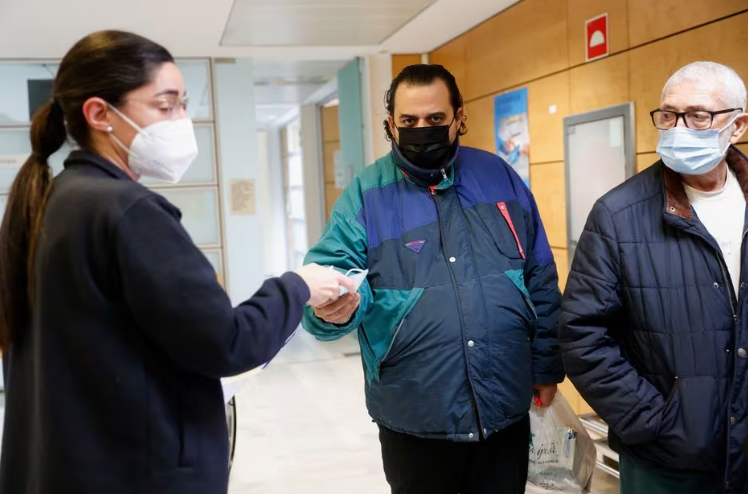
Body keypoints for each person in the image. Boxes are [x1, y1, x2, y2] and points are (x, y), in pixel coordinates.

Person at [0, 31, 352, 494]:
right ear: (100, 114)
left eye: (183, 104)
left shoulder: (54, 202)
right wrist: (298, 285)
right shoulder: (127, 211)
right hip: (134, 471)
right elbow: (226, 343)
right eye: (165, 106)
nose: (182, 121)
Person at [302, 64, 564, 494]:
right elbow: (330, 279)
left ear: (459, 117)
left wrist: (546, 364)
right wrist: (330, 310)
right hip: (415, 416)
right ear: (391, 124)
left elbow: (539, 275)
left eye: (435, 119)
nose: (422, 130)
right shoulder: (366, 195)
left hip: (503, 407)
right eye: (409, 121)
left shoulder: (499, 177)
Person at [559, 61, 748, 494]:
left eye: (697, 115)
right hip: (665, 461)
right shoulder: (617, 215)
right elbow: (582, 337)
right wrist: (653, 421)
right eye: (668, 114)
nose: (678, 128)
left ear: (737, 126)